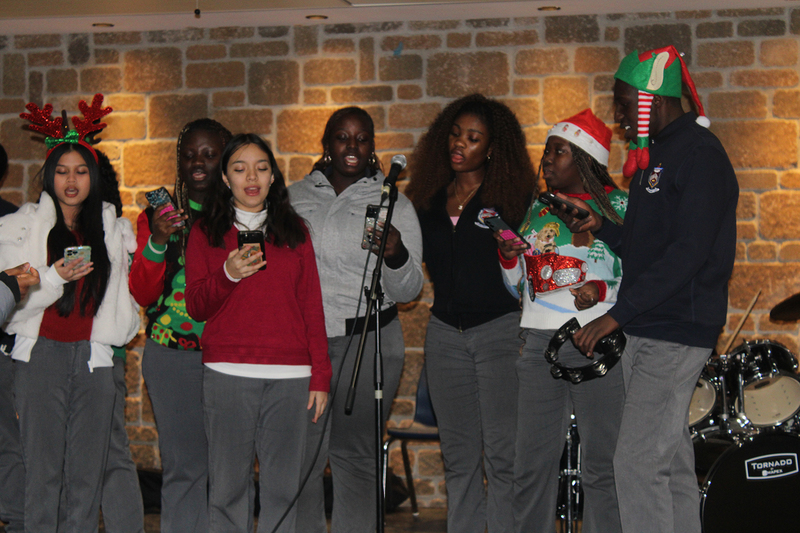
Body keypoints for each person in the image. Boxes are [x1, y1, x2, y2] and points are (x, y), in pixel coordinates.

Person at [553, 46, 738, 533]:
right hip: (648, 327)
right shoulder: (656, 156)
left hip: (675, 330)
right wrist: (606, 229)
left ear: (652, 100)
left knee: (634, 464)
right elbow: (650, 247)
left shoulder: (700, 155)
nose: (616, 114)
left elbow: (689, 252)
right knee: (671, 465)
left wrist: (616, 314)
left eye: (622, 101)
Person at [1, 97, 140, 531]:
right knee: (41, 472)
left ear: (93, 175)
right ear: (49, 176)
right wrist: (55, 275)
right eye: (62, 171)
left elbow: (125, 302)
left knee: (85, 477)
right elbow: (10, 300)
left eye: (81, 170)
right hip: (41, 356)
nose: (71, 179)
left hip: (94, 360)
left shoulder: (112, 229)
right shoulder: (21, 226)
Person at [185, 133, 331, 533]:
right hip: (228, 373)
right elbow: (196, 305)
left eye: (262, 168)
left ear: (273, 178)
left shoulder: (295, 230)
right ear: (225, 179)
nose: (252, 176)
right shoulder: (205, 232)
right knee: (228, 491)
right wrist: (228, 274)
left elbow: (312, 308)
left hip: (291, 378)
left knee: (284, 491)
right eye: (239, 168)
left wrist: (321, 376)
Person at [289, 106, 423, 533]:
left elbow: (409, 291)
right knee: (300, 460)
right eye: (342, 137)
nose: (352, 146)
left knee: (355, 459)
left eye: (362, 138)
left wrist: (396, 254)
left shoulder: (392, 202)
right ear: (327, 144)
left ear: (372, 146)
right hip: (303, 346)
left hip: (365, 342)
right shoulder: (292, 198)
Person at [404, 93, 535, 533]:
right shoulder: (425, 199)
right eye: (456, 134)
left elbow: (532, 268)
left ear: (493, 148)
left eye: (474, 138)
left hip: (500, 332)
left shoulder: (513, 200)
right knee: (458, 459)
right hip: (444, 336)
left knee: (503, 459)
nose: (460, 144)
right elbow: (407, 266)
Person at [496, 109, 626, 533]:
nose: (547, 159)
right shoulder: (539, 209)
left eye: (558, 151)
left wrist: (601, 293)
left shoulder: (619, 208)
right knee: (531, 465)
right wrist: (508, 258)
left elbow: (640, 277)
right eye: (547, 150)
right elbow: (519, 287)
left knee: (602, 466)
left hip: (595, 340)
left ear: (586, 158)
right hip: (537, 342)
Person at [129, 118, 231, 532]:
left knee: (228, 469)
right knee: (184, 468)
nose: (199, 163)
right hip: (171, 357)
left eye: (209, 154)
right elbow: (142, 292)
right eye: (189, 155)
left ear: (225, 159)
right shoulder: (157, 215)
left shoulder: (244, 214)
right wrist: (156, 241)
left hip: (231, 357)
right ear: (179, 160)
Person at [95, 148, 145, 533]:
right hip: (55, 352)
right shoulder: (42, 224)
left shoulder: (116, 230)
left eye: (83, 171)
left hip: (101, 354)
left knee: (110, 452)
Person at [0, 143, 27, 533]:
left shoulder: (14, 221)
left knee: (8, 438)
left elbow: (23, 285)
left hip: (1, 348)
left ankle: (17, 517)